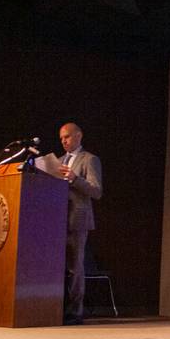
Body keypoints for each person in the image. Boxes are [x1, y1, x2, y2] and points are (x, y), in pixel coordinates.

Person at [58, 122, 103, 325]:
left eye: (67, 137)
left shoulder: (89, 160)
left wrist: (75, 179)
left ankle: (75, 312)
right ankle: (55, 307)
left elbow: (96, 191)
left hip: (78, 218)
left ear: (78, 136)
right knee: (57, 267)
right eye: (61, 138)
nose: (64, 141)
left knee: (75, 267)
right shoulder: (58, 161)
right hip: (55, 220)